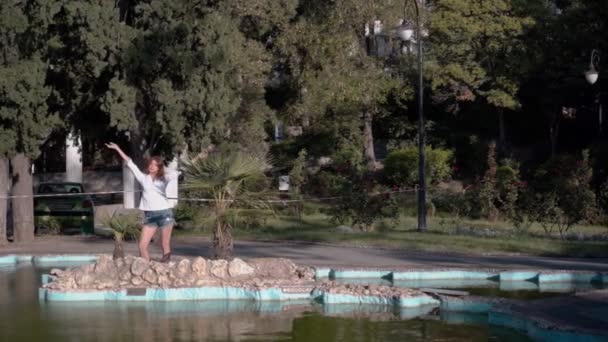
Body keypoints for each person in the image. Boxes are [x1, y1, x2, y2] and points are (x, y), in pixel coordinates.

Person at [106, 142, 178, 262]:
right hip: (149, 216)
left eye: (155, 165)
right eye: (150, 164)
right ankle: (147, 267)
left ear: (159, 167)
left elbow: (178, 173)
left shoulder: (164, 179)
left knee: (165, 244)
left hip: (164, 214)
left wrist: (197, 159)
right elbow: (130, 162)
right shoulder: (143, 178)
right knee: (142, 246)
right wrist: (118, 148)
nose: (151, 166)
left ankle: (165, 268)